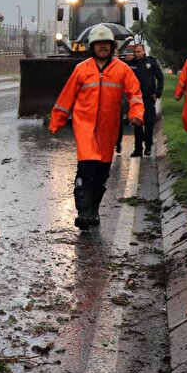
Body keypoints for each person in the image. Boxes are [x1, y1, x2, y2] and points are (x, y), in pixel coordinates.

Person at [48, 25, 144, 230]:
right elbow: (66, 97)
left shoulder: (122, 70)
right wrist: (56, 121)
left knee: (101, 175)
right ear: (92, 47)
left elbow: (134, 94)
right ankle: (83, 213)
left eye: (106, 44)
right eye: (98, 44)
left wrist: (136, 114)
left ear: (112, 46)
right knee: (85, 170)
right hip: (85, 128)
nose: (102, 47)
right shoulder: (81, 69)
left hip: (108, 131)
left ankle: (93, 212)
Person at [129, 42, 164, 156]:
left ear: (144, 51)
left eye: (138, 51)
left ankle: (148, 146)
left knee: (149, 123)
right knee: (137, 124)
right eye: (134, 52)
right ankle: (138, 149)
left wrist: (157, 93)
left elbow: (160, 77)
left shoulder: (151, 62)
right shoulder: (131, 64)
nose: (136, 54)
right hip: (136, 99)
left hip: (149, 97)